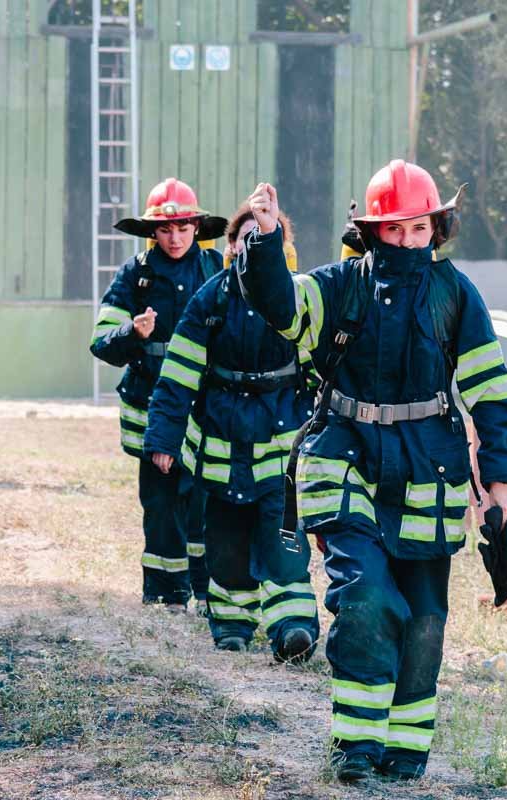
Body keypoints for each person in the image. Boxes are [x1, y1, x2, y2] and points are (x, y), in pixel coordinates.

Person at [238, 162, 507, 783]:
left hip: (432, 463)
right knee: (366, 596)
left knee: (424, 619)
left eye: (416, 228)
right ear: (371, 230)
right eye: (393, 230)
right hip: (345, 457)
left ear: (435, 228)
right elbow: (281, 307)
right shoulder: (339, 285)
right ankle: (356, 747)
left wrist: (502, 485)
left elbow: (492, 391)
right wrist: (263, 242)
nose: (406, 241)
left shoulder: (456, 295)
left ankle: (405, 752)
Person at [143, 200, 320, 660]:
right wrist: (163, 438)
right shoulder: (212, 297)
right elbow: (179, 371)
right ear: (231, 246)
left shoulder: (299, 295)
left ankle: (293, 627)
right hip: (222, 440)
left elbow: (323, 366)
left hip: (282, 447)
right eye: (247, 237)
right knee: (226, 542)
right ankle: (233, 626)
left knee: (284, 542)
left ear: (281, 245)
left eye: (266, 236)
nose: (255, 244)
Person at [90, 178, 225, 612]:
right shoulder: (136, 275)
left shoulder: (216, 267)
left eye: (183, 228)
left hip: (204, 408)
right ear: (152, 232)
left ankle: (206, 591)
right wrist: (133, 331)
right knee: (161, 501)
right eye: (166, 230)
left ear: (197, 227)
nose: (175, 237)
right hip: (150, 405)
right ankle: (163, 593)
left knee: (206, 501)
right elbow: (101, 341)